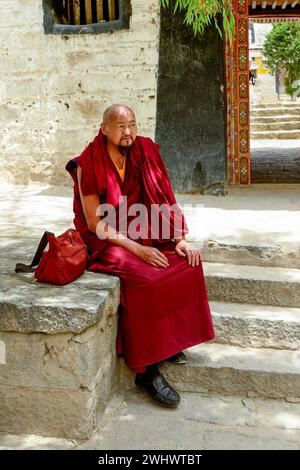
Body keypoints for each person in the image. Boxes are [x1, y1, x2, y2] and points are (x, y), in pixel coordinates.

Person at [66, 104, 215, 408]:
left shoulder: (145, 149)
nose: (128, 132)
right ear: (104, 128)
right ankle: (146, 372)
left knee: (187, 265)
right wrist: (137, 249)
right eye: (120, 126)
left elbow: (163, 193)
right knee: (146, 280)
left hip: (144, 230)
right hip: (107, 242)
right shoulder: (88, 162)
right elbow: (95, 223)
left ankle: (168, 341)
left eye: (132, 124)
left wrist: (179, 239)